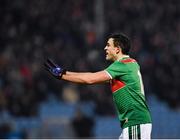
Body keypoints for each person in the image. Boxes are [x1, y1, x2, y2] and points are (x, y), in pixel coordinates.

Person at [44, 33, 152, 139]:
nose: (105, 48)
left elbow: (90, 79)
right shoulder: (128, 65)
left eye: (108, 45)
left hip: (136, 122)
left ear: (117, 49)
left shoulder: (123, 65)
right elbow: (91, 77)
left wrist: (62, 76)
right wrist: (64, 72)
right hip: (134, 123)